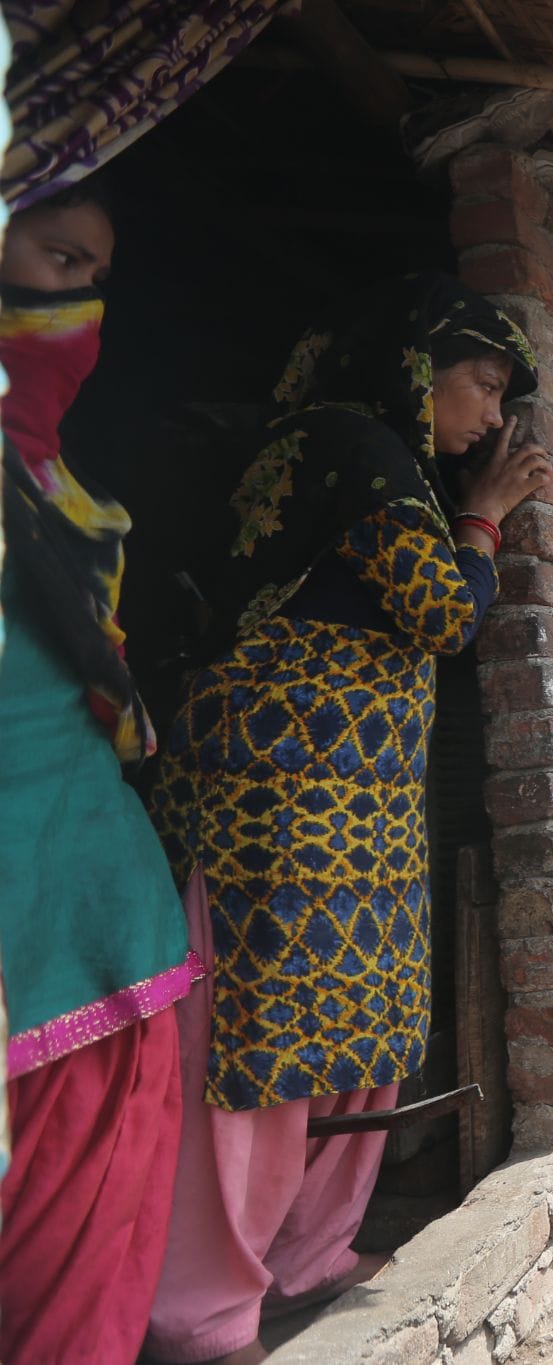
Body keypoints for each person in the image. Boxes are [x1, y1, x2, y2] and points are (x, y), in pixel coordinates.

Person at [143, 275, 553, 1362]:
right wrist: (483, 517)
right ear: (413, 367)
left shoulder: (380, 460)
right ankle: (202, 1299)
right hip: (280, 799)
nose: (489, 416)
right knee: (261, 1039)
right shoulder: (351, 443)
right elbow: (444, 611)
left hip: (347, 805)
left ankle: (304, 1253)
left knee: (345, 1028)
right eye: (479, 383)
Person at [0, 181, 199, 1363]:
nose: (80, 307)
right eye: (57, 262)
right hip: (60, 978)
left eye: (91, 279)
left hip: (94, 948)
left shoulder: (48, 488)